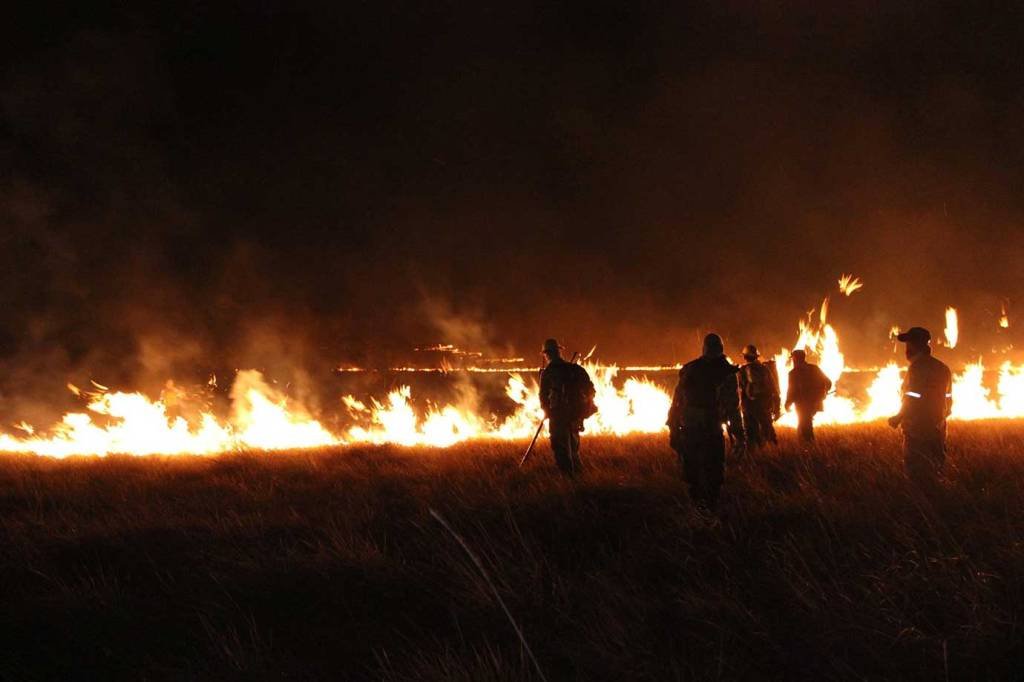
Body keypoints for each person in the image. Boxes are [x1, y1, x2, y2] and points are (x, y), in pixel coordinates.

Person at [666, 333, 744, 510]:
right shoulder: (727, 372)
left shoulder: (689, 368)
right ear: (721, 349)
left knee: (692, 470)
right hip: (710, 428)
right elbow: (733, 406)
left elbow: (676, 402)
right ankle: (709, 508)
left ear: (704, 348)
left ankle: (697, 506)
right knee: (713, 470)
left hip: (689, 427)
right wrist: (739, 434)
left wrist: (673, 427)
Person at [888, 327, 952, 484]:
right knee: (937, 470)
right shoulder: (942, 368)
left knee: (917, 472)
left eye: (909, 344)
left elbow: (913, 396)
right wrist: (940, 418)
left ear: (917, 345)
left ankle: (920, 504)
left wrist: (899, 416)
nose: (906, 349)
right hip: (938, 428)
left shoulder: (917, 368)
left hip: (917, 428)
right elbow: (948, 399)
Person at [539, 338, 596, 475]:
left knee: (561, 451)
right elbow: (590, 390)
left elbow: (543, 397)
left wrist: (547, 411)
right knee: (574, 449)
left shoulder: (548, 373)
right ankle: (579, 479)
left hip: (558, 417)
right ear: (559, 351)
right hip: (575, 416)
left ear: (547, 354)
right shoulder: (575, 369)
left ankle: (568, 481)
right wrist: (583, 408)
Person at [738, 344, 781, 448]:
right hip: (764, 404)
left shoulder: (742, 370)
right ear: (757, 356)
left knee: (751, 433)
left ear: (744, 357)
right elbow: (774, 388)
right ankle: (774, 451)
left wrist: (740, 407)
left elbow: (740, 389)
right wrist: (777, 407)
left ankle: (754, 455)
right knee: (767, 429)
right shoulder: (764, 369)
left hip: (749, 406)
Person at [784, 349, 832, 442]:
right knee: (805, 422)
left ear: (795, 359)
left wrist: (788, 403)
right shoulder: (814, 368)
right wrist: (823, 394)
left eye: (793, 358)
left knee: (805, 424)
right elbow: (828, 382)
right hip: (815, 402)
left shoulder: (793, 373)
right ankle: (805, 443)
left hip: (802, 403)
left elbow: (791, 391)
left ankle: (808, 444)